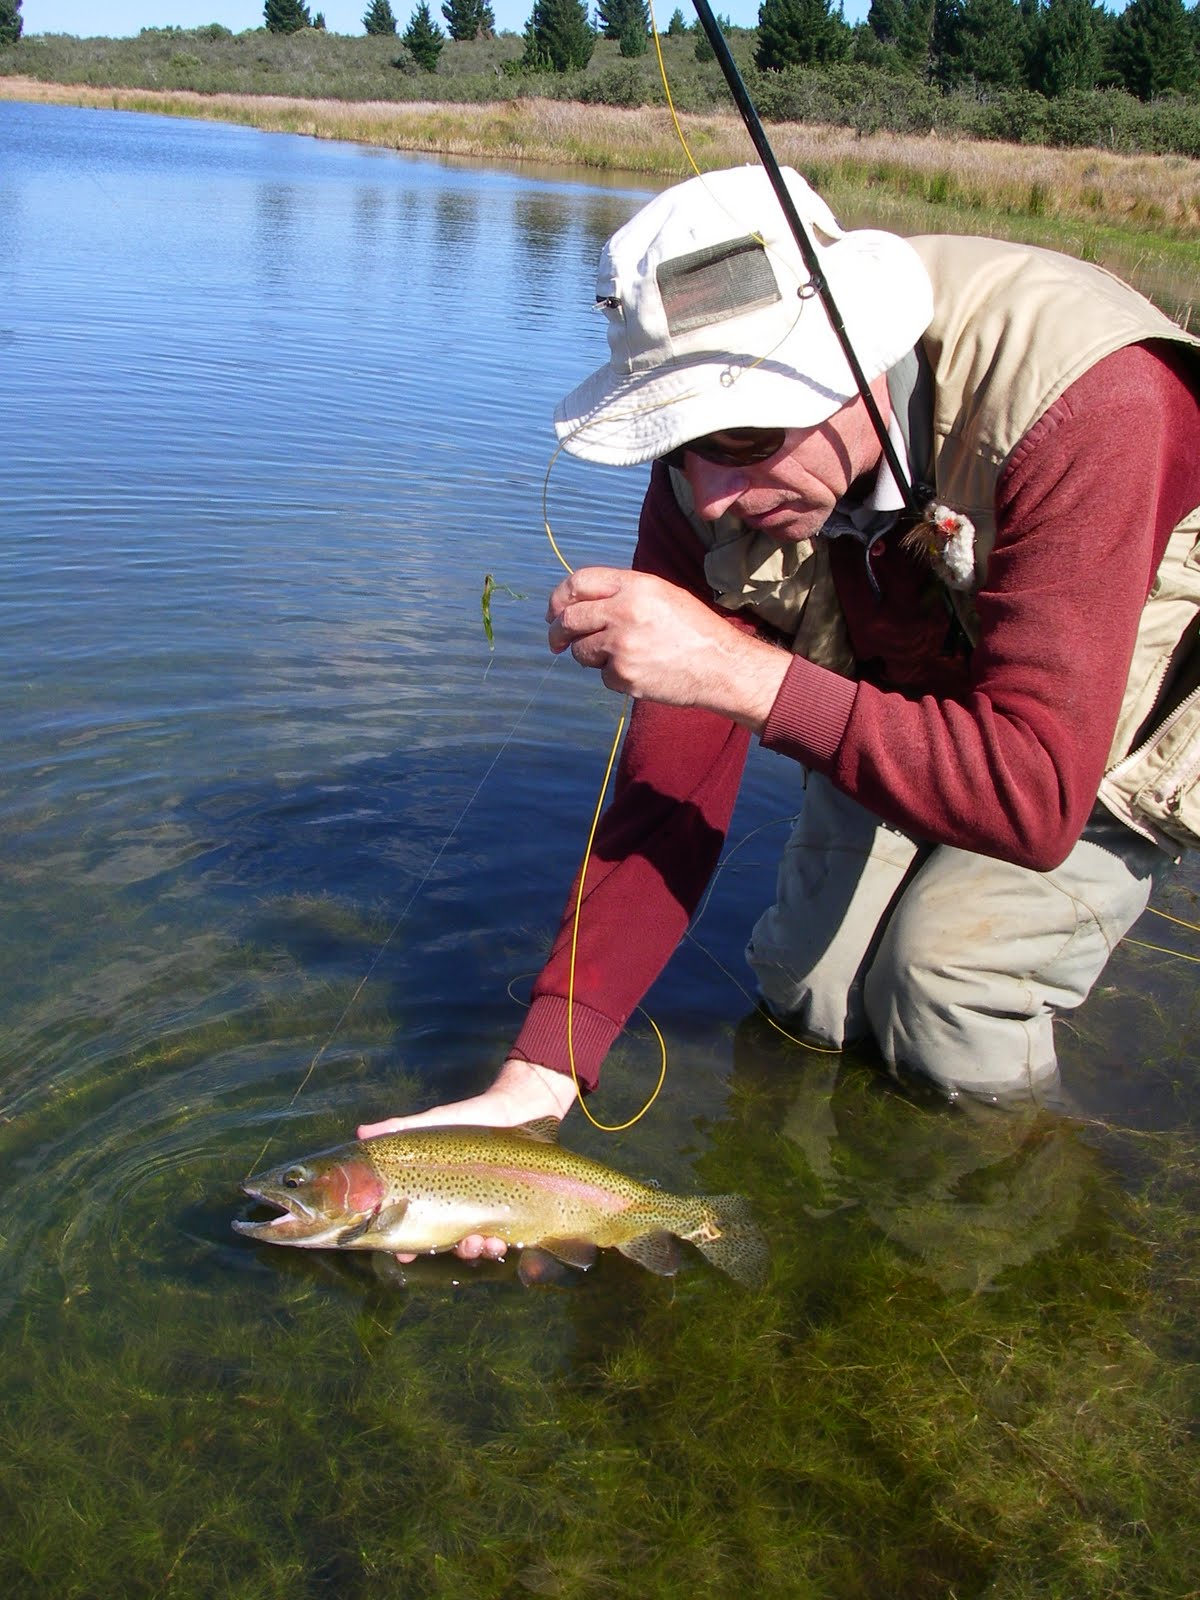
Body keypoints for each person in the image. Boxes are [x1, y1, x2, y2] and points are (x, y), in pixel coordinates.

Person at [360, 164, 1200, 1259]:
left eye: (745, 440)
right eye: (677, 442)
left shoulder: (1095, 401)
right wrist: (543, 1071)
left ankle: (1010, 1241)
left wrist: (738, 672)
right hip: (905, 688)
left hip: (1107, 725)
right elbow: (668, 787)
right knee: (808, 988)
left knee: (944, 986)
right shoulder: (710, 484)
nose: (707, 495)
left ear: (856, 365)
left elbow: (1033, 795)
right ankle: (824, 1229)